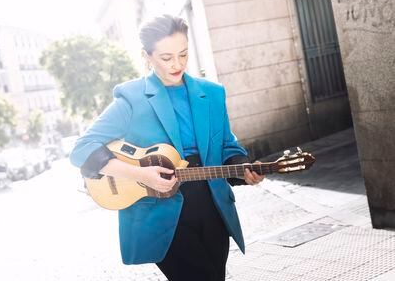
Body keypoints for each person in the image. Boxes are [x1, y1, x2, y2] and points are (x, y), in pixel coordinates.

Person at [69, 14, 265, 281]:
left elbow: (227, 146)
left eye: (183, 54)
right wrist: (140, 174)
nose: (177, 64)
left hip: (213, 209)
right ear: (146, 56)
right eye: (166, 57)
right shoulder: (131, 98)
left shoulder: (213, 93)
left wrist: (242, 167)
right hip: (161, 218)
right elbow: (82, 149)